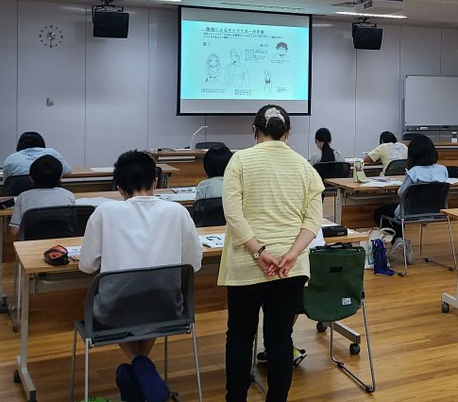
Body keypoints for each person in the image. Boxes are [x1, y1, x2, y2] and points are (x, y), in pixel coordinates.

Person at [219, 104, 324, 402]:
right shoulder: (305, 167)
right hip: (289, 268)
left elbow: (233, 214)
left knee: (240, 335)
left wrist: (258, 252)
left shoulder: (240, 160)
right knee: (280, 337)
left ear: (255, 131)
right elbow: (312, 220)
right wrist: (291, 254)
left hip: (247, 265)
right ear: (288, 134)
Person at [79, 150, 202, 402]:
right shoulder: (177, 211)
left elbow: (87, 266)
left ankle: (138, 365)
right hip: (168, 310)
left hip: (114, 312)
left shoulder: (104, 212)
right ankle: (144, 369)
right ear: (156, 182)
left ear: (119, 187)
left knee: (126, 301)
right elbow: (193, 263)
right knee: (153, 296)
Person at [374, 135, 448, 262]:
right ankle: (400, 241)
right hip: (435, 212)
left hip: (411, 212)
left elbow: (401, 193)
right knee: (398, 214)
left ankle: (398, 240)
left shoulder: (414, 172)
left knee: (381, 213)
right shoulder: (442, 169)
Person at [9, 155, 74, 236]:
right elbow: (72, 223)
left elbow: (14, 231)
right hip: (63, 241)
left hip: (31, 242)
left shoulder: (23, 197)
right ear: (60, 177)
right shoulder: (68, 195)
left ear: (31, 178)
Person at [3, 131, 71, 179]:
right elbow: (67, 171)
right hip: (49, 190)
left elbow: (6, 181)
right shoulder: (52, 152)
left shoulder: (11, 158)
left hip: (18, 192)